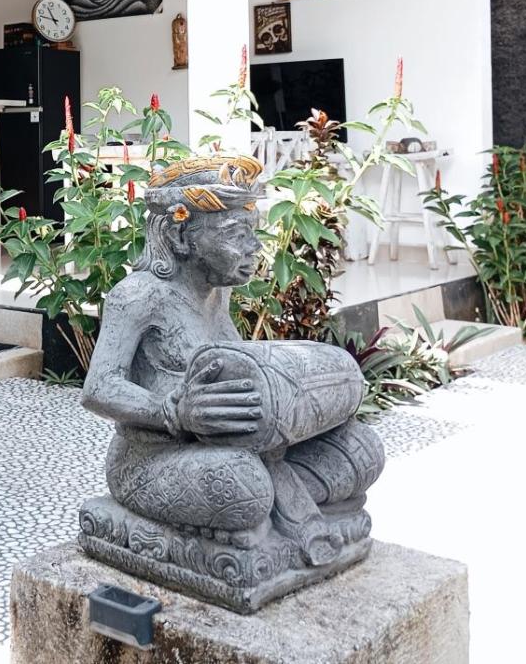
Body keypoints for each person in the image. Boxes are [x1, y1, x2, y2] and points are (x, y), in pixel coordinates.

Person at [77, 155, 385, 611]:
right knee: (246, 487)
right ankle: (263, 513)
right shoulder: (137, 296)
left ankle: (267, 513)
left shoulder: (216, 295)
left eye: (252, 233)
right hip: (152, 459)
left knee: (362, 448)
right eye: (235, 235)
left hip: (227, 450)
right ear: (179, 235)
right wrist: (173, 411)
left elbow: (235, 368)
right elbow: (99, 388)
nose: (253, 248)